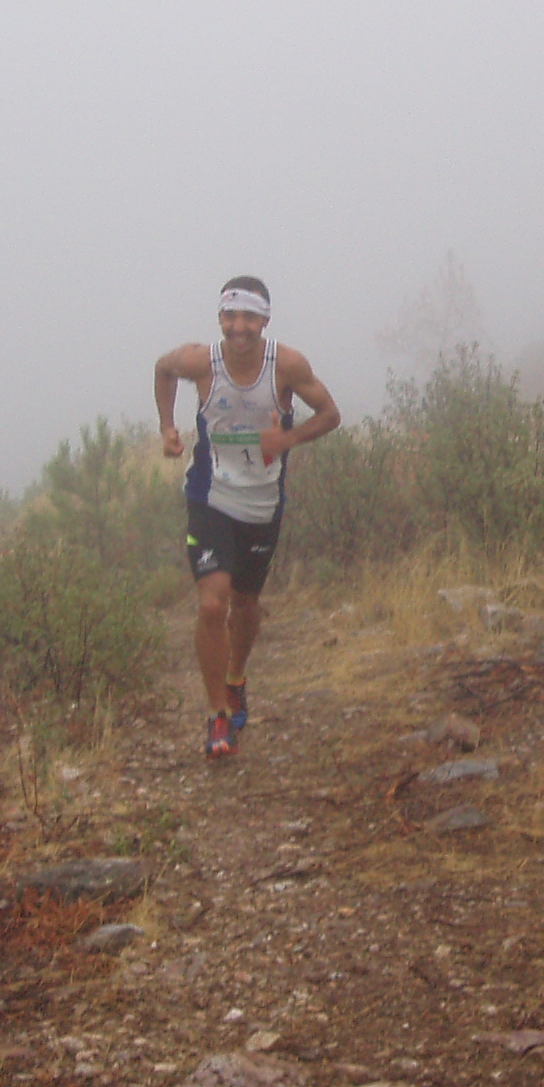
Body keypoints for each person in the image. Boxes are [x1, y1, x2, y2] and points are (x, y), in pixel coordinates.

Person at [154, 275, 341, 760]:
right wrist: (169, 428)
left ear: (265, 320)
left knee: (245, 606)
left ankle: (236, 677)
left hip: (262, 502)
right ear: (220, 318)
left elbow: (329, 413)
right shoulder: (201, 361)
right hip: (209, 494)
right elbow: (162, 368)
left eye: (249, 317)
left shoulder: (287, 364)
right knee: (212, 605)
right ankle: (218, 714)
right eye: (230, 316)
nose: (239, 327)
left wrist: (288, 440)